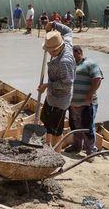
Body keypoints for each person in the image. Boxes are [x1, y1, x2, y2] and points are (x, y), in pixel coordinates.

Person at [38, 21, 76, 153]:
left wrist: (48, 85)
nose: (50, 53)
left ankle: (55, 155)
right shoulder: (66, 43)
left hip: (60, 100)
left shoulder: (64, 62)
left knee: (56, 130)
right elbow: (68, 31)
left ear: (58, 48)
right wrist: (53, 24)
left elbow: (67, 84)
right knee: (47, 122)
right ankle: (46, 147)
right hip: (51, 96)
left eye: (51, 51)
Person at [65, 45, 103, 162]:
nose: (70, 57)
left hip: (87, 104)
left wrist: (90, 95)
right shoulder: (72, 65)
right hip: (73, 104)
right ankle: (76, 146)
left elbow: (97, 79)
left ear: (78, 52)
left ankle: (90, 151)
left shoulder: (90, 64)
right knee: (75, 126)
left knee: (87, 126)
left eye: (72, 54)